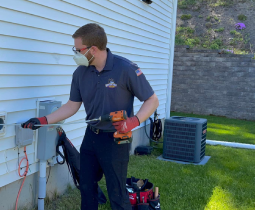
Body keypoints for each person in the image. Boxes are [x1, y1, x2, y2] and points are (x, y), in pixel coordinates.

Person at [22, 23, 159, 210]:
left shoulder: (126, 69)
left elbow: (152, 100)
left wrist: (133, 121)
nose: (76, 53)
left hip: (116, 140)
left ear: (93, 49)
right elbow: (72, 105)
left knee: (117, 193)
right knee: (86, 188)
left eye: (78, 50)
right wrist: (43, 121)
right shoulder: (80, 73)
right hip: (91, 138)